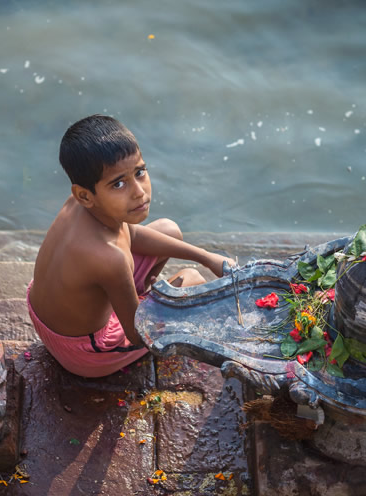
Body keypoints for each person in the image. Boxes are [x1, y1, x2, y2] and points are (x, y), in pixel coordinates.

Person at [28, 115, 235, 377]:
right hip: (84, 352)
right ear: (85, 195)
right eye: (119, 183)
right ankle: (138, 304)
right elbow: (138, 336)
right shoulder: (109, 258)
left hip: (49, 314)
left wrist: (206, 257)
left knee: (170, 230)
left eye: (139, 172)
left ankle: (136, 298)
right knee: (192, 280)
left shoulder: (78, 205)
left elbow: (131, 235)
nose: (139, 192)